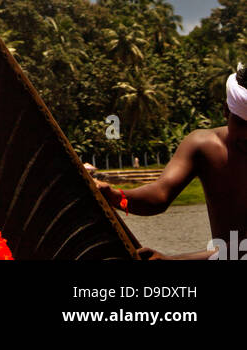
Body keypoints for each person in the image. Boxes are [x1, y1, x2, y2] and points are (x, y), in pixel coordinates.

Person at [94, 64, 247, 260]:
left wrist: (173, 260)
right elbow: (160, 194)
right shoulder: (203, 145)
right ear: (226, 111)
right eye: (242, 123)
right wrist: (117, 197)